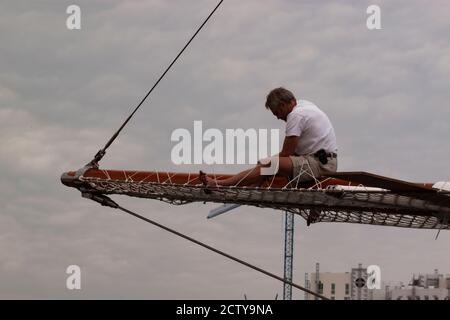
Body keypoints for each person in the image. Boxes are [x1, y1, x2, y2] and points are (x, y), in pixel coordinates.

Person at [200, 87, 337, 187]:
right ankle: (243, 186)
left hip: (319, 164)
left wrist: (264, 162)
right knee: (266, 167)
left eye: (277, 112)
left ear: (283, 105)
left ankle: (219, 185)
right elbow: (292, 154)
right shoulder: (305, 105)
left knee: (268, 165)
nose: (278, 117)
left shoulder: (295, 116)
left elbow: (286, 154)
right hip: (323, 161)